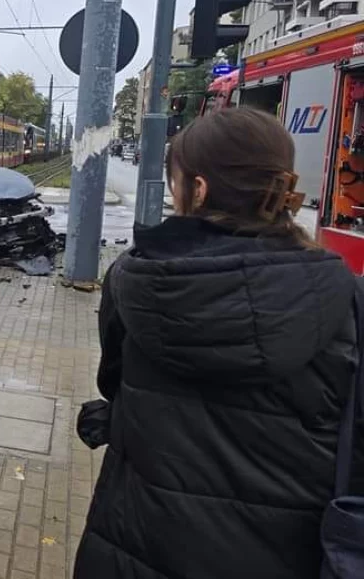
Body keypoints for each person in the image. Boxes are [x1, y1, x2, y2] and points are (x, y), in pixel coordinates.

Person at [74, 107, 360, 579]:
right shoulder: (351, 300)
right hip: (293, 554)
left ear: (198, 190)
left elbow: (115, 383)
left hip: (140, 541)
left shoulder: (136, 281)